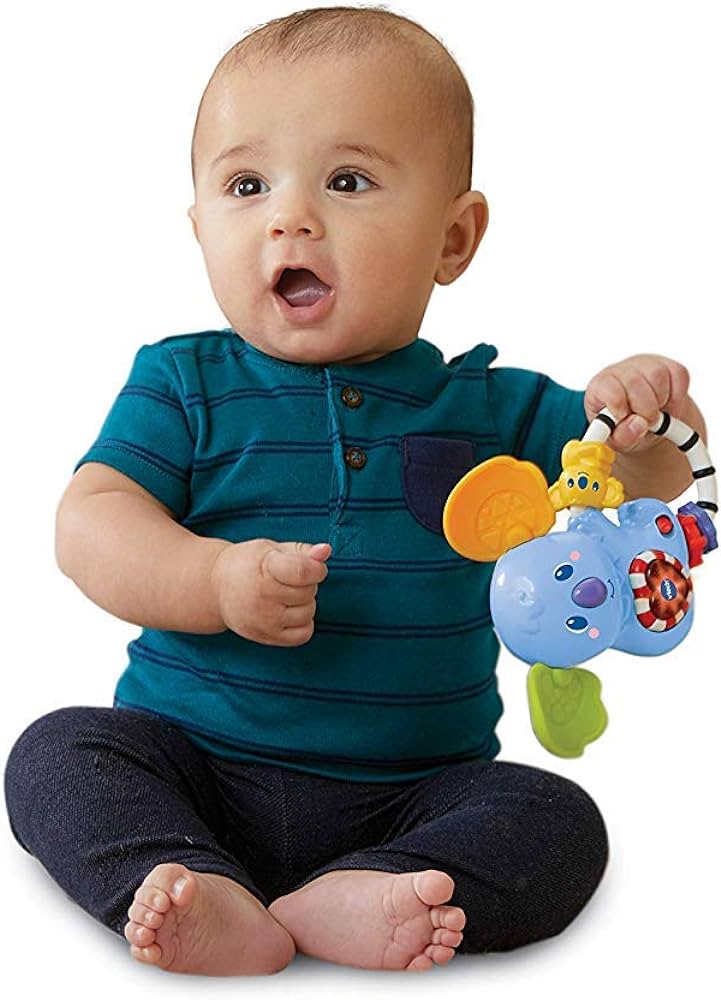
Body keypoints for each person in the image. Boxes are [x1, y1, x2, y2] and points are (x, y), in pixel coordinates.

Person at [3, 4, 708, 978]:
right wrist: (210, 580)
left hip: (416, 786)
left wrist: (649, 421)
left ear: (452, 240)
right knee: (55, 753)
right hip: (192, 764)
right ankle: (186, 880)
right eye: (247, 184)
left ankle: (375, 886)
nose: (290, 216)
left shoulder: (496, 409)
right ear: (201, 226)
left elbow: (650, 491)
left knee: (559, 822)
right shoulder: (183, 383)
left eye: (347, 180)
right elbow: (90, 524)